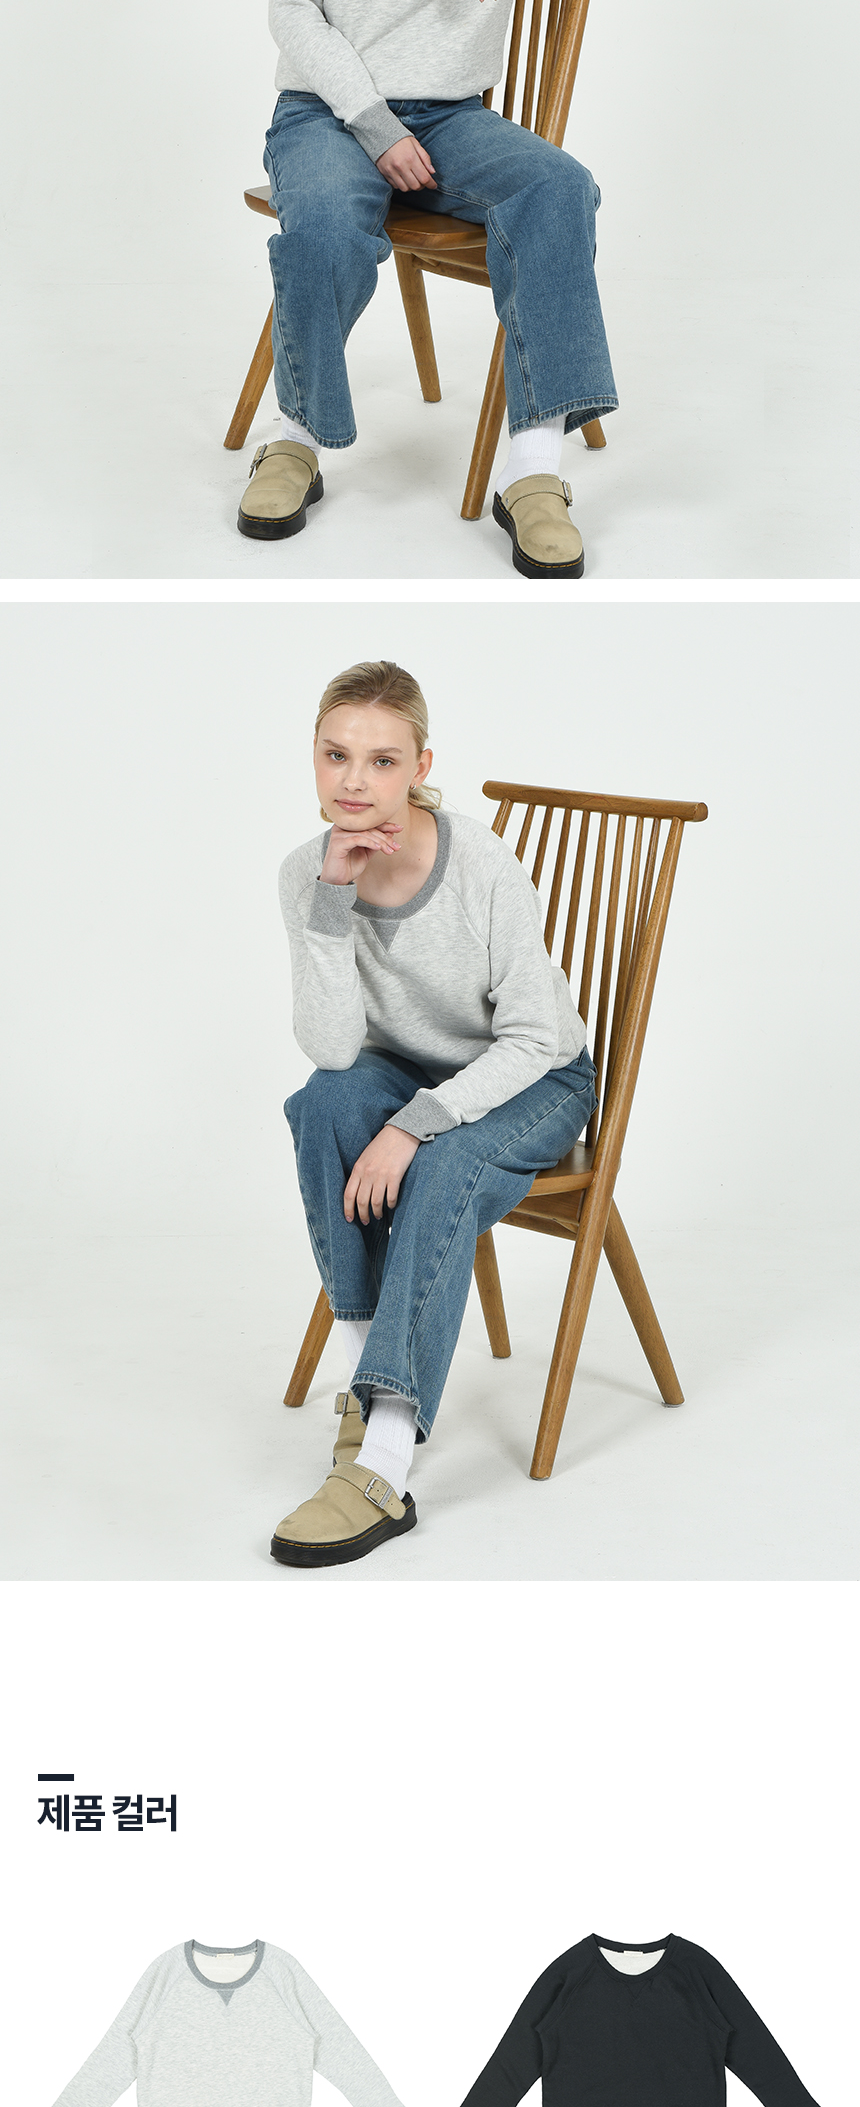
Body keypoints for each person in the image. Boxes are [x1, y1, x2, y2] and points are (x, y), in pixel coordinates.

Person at [239, 0, 667, 577]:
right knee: (323, 225)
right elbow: (291, 8)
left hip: (451, 118)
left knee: (558, 187)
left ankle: (534, 469)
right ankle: (294, 440)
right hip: (328, 111)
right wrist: (373, 124)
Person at [272, 659, 597, 1567]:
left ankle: (383, 1461)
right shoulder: (306, 874)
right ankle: (366, 1377)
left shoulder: (481, 863)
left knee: (444, 1162)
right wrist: (332, 900)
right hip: (410, 1074)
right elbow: (335, 1051)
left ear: (420, 765)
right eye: (335, 755)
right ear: (313, 754)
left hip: (537, 1079)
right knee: (322, 1104)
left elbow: (533, 1038)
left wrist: (413, 1125)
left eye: (382, 760)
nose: (353, 781)